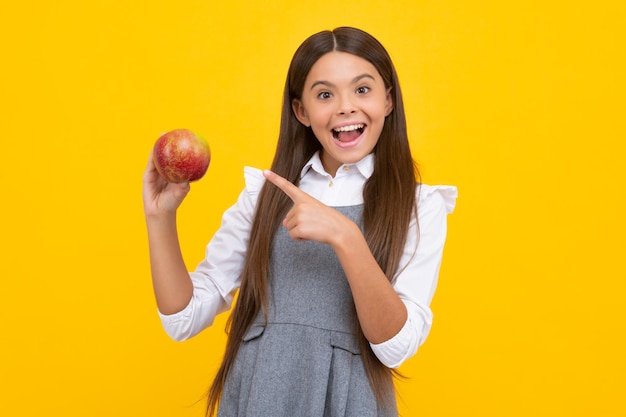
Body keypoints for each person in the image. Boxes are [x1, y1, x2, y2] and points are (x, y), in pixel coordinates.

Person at [143, 26, 457, 417]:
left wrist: (346, 237)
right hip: (261, 395)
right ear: (301, 111)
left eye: (362, 89)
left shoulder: (418, 205)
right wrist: (161, 217)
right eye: (325, 94)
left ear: (389, 101)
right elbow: (183, 318)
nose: (345, 107)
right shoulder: (266, 193)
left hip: (351, 402)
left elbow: (395, 345)